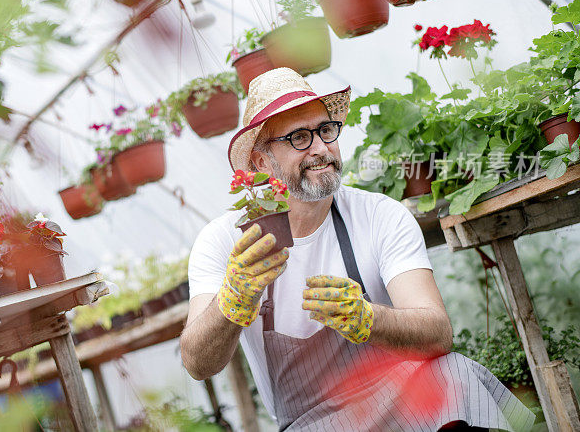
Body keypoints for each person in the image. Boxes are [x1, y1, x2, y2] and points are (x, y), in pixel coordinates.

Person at [179, 68, 535, 431]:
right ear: (260, 162)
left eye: (325, 130)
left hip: (402, 401)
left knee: (452, 373)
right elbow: (197, 363)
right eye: (299, 137)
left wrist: (367, 318)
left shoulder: (378, 214)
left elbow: (438, 332)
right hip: (311, 424)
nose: (320, 148)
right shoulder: (224, 241)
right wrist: (231, 301)